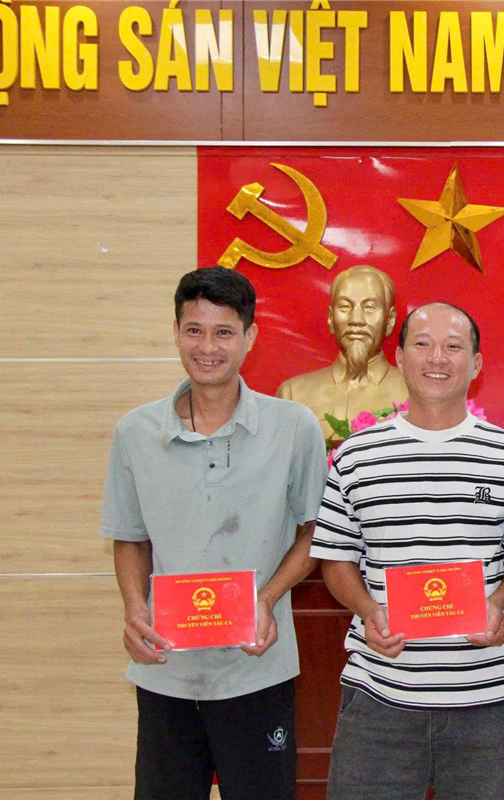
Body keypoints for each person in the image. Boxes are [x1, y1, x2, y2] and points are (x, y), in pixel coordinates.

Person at [100, 267, 328, 800]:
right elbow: (129, 537)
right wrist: (134, 609)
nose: (207, 347)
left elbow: (316, 533)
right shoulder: (135, 432)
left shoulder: (294, 427)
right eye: (194, 330)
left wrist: (266, 599)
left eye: (224, 332)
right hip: (166, 670)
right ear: (176, 332)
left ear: (250, 337)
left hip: (257, 668)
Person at [312, 302, 504, 800]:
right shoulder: (355, 455)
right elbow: (334, 557)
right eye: (422, 344)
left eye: (453, 346)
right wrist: (367, 609)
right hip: (378, 696)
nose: (437, 357)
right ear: (399, 357)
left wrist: (498, 603)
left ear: (476, 364)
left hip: (484, 700)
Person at [277, 264, 409, 439]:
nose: (356, 320)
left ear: (390, 319)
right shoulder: (293, 394)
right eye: (345, 307)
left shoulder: (413, 391)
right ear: (331, 318)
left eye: (369, 307)